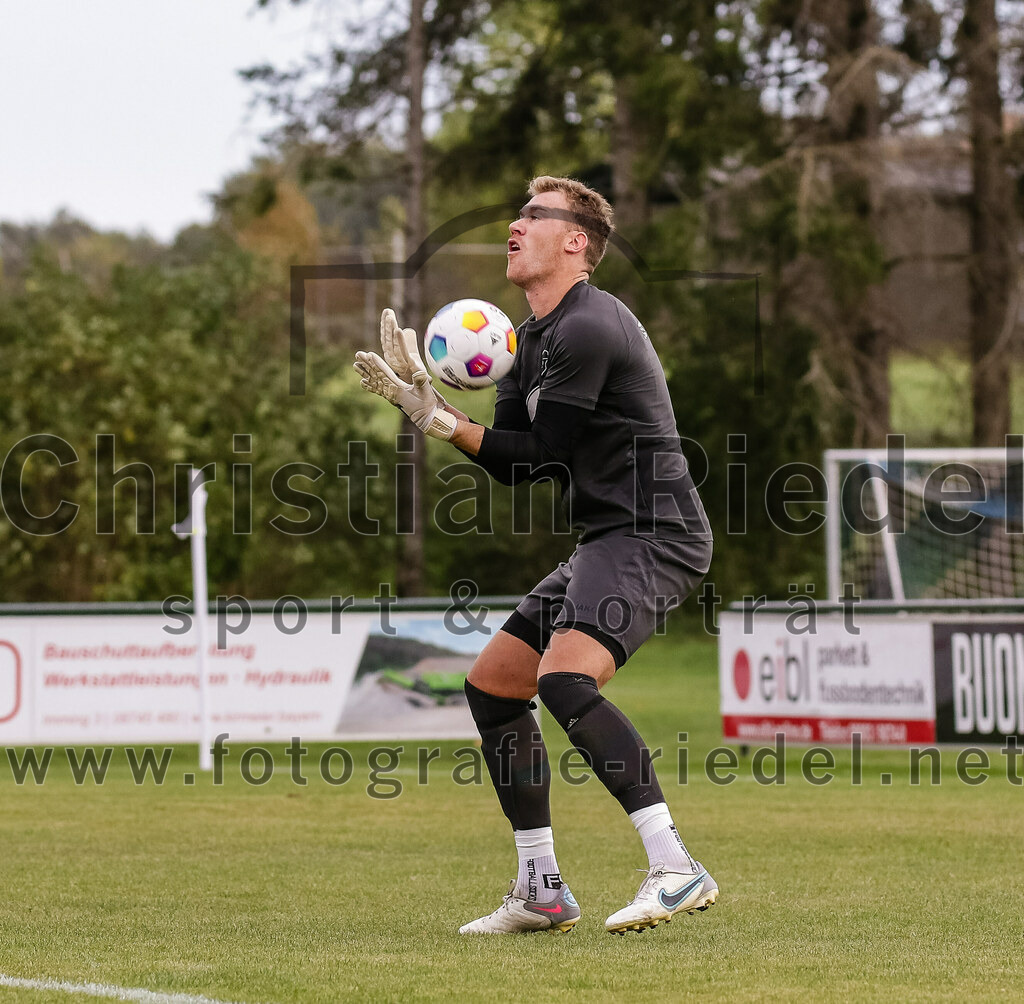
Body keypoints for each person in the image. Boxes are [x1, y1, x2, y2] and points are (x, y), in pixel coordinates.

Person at [354, 176, 716, 935]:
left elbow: (546, 447)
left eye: (533, 216)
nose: (514, 226)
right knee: (494, 685)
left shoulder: (591, 325)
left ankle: (676, 867)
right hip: (608, 537)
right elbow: (525, 464)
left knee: (564, 678)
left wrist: (443, 421)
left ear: (576, 242)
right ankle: (542, 890)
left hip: (655, 532)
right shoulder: (531, 340)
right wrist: (433, 410)